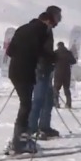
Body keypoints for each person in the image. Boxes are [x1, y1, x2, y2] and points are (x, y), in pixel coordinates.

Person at [5, 8, 58, 154]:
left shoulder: (22, 28)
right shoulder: (42, 31)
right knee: (26, 105)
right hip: (26, 71)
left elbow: (9, 51)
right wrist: (55, 58)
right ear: (47, 20)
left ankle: (19, 139)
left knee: (25, 104)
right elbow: (40, 52)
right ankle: (19, 142)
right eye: (52, 23)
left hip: (14, 70)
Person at [29, 7, 62, 140]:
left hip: (46, 68)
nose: (59, 19)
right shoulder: (40, 29)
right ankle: (32, 128)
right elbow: (37, 49)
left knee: (48, 100)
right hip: (40, 69)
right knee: (38, 99)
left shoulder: (48, 30)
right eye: (58, 16)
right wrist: (51, 57)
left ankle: (44, 126)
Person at [54, 41, 77, 109]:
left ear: (58, 46)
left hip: (58, 73)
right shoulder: (68, 52)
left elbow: (52, 61)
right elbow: (74, 61)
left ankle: (56, 103)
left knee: (56, 88)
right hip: (67, 73)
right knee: (66, 88)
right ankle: (68, 103)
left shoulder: (56, 52)